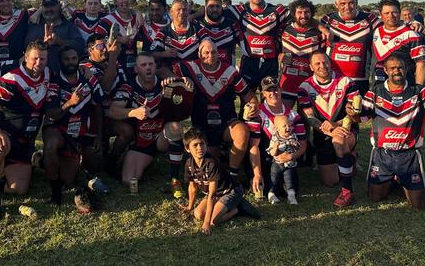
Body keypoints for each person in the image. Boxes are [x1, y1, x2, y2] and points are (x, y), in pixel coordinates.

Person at [0, 40, 52, 223]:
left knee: (19, 189)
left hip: (25, 143)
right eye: (35, 58)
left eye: (43, 59)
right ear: (26, 57)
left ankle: (2, 171)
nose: (39, 63)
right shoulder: (11, 79)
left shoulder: (46, 74)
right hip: (7, 137)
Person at [170, 39, 257, 180]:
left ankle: (233, 175)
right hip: (202, 125)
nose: (210, 55)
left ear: (219, 53)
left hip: (226, 122)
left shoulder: (229, 71)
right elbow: (163, 69)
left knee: (242, 133)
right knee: (211, 167)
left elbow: (247, 94)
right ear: (199, 53)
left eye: (214, 52)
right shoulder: (190, 68)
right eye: (206, 52)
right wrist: (175, 79)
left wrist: (253, 104)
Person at [360, 54, 425, 209]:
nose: (397, 71)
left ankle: (400, 179)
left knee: (418, 204)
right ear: (386, 71)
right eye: (392, 68)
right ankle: (393, 179)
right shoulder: (374, 92)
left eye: (400, 67)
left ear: (406, 69)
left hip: (409, 154)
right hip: (382, 154)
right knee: (375, 198)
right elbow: (359, 118)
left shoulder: (421, 92)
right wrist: (352, 112)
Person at [108, 52, 189, 198]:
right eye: (143, 65)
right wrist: (133, 112)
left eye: (151, 64)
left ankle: (175, 179)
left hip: (161, 138)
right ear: (136, 69)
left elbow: (184, 108)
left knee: (175, 126)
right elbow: (112, 110)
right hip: (141, 141)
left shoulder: (165, 83)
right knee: (129, 180)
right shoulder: (129, 86)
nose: (148, 68)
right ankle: (144, 160)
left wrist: (180, 83)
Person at [320, 0, 425, 95]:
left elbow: (390, 23)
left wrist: (411, 24)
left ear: (356, 2)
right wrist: (320, 27)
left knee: (360, 109)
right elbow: (309, 23)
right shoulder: (327, 20)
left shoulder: (371, 20)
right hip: (334, 79)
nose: (347, 7)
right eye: (343, 4)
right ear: (336, 4)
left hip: (361, 81)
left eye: (351, 3)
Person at [42, 46, 105, 211]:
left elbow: (98, 107)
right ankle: (55, 191)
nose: (70, 62)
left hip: (81, 131)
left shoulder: (89, 78)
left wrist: (98, 136)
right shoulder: (54, 82)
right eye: (66, 59)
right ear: (60, 61)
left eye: (73, 59)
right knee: (50, 145)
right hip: (60, 130)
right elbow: (51, 114)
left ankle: (44, 162)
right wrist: (69, 103)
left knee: (86, 166)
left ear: (78, 59)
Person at [297, 51, 358, 207]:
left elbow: (354, 115)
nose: (322, 66)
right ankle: (349, 159)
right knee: (330, 182)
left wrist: (336, 126)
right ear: (311, 67)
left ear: (330, 63)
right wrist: (328, 130)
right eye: (317, 63)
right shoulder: (304, 87)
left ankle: (347, 191)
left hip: (346, 130)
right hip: (322, 135)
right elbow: (310, 118)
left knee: (338, 141)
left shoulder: (346, 82)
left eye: (325, 62)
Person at [79, 34, 132, 178]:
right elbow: (105, 86)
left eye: (106, 45)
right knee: (94, 167)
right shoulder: (85, 67)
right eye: (100, 46)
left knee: (127, 130)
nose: (105, 50)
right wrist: (114, 57)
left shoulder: (115, 64)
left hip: (113, 115)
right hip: (93, 120)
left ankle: (112, 162)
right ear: (90, 50)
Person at [246, 76, 306, 200]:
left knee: (289, 189)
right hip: (265, 158)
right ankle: (255, 177)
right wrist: (257, 174)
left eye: (275, 89)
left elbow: (303, 143)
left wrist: (291, 156)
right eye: (269, 90)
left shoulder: (294, 116)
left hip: (288, 160)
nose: (273, 93)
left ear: (281, 90)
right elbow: (253, 146)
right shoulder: (257, 114)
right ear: (263, 93)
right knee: (268, 188)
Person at [181, 127, 248, 235]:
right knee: (198, 214)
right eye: (195, 145)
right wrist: (190, 206)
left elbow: (212, 195)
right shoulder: (189, 164)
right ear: (187, 148)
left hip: (229, 191)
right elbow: (192, 187)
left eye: (202, 144)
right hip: (215, 193)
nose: (199, 148)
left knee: (213, 220)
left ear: (206, 145)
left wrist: (206, 223)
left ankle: (237, 209)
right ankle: (226, 208)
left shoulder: (211, 163)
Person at [226, 0, 288, 93]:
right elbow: (213, 11)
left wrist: (322, 29)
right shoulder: (239, 11)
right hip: (249, 62)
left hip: (270, 62)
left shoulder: (277, 11)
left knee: (269, 100)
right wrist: (191, 17)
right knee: (248, 101)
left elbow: (301, 17)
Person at [278, 0, 325, 107]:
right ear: (294, 14)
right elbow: (275, 48)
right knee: (284, 117)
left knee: (307, 120)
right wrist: (279, 56)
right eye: (300, 12)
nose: (303, 15)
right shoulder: (283, 29)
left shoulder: (319, 33)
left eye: (307, 12)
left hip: (309, 84)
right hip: (287, 83)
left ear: (312, 13)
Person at [372, 0, 425, 85]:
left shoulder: (411, 34)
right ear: (381, 14)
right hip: (379, 87)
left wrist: (419, 89)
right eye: (386, 13)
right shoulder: (376, 30)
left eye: (394, 12)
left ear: (399, 13)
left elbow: (422, 64)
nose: (390, 16)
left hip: (405, 87)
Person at [25, 0, 84, 72]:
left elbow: (80, 47)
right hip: (37, 76)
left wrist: (59, 41)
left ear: (59, 7)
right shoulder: (34, 25)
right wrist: (44, 44)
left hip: (63, 75)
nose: (49, 9)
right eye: (46, 6)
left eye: (52, 6)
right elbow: (26, 48)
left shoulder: (69, 25)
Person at [96, 0, 145, 77]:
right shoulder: (107, 21)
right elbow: (97, 44)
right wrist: (118, 40)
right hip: (115, 68)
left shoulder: (138, 20)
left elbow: (141, 42)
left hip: (136, 68)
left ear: (131, 0)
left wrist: (140, 55)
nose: (124, 1)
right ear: (115, 1)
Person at [151, 0, 200, 76]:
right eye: (178, 9)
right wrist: (163, 54)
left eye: (184, 9)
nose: (182, 12)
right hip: (171, 77)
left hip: (195, 76)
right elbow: (151, 54)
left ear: (188, 11)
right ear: (171, 12)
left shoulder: (198, 29)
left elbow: (209, 48)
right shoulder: (163, 32)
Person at [267, 115, 305, 205]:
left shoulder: (293, 136)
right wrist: (275, 147)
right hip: (277, 164)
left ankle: (291, 195)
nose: (288, 128)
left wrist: (295, 145)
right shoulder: (275, 138)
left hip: (290, 163)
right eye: (285, 126)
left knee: (289, 179)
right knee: (274, 179)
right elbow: (271, 153)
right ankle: (271, 193)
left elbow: (298, 148)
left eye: (289, 125)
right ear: (277, 128)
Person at [194, 0, 241, 66]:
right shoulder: (196, 24)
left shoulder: (233, 25)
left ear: (221, 7)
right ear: (205, 7)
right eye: (211, 6)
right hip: (203, 73)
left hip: (227, 72)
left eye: (218, 6)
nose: (215, 9)